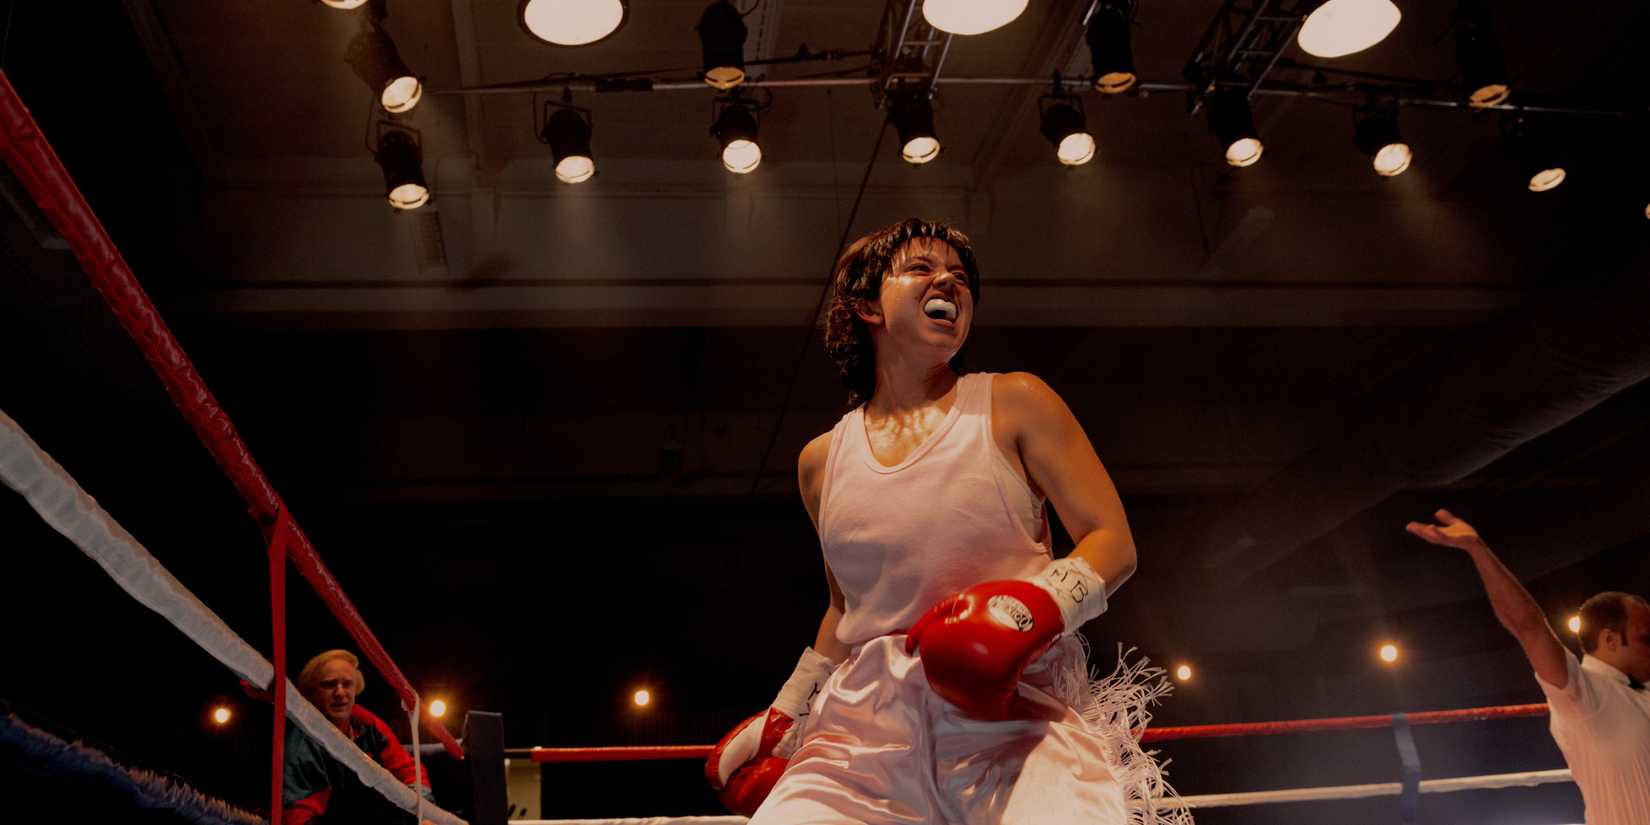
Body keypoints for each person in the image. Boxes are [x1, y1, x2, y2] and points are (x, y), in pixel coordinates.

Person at [706, 218, 1184, 824]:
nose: (949, 283)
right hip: (861, 740)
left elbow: (1112, 541)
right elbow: (844, 607)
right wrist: (788, 710)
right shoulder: (821, 462)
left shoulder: (1014, 401)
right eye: (921, 268)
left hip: (1016, 720)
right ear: (866, 306)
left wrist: (1030, 611)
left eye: (960, 277)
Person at [1406, 509, 1650, 825]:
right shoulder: (1584, 695)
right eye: (1646, 638)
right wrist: (1479, 551)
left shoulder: (1642, 692)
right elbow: (1529, 628)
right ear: (1611, 640)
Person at [282, 649, 435, 825]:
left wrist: (425, 812)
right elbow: (296, 815)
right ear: (311, 692)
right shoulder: (300, 744)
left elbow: (407, 768)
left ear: (356, 688)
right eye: (329, 684)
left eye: (347, 684)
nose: (340, 693)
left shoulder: (366, 721)